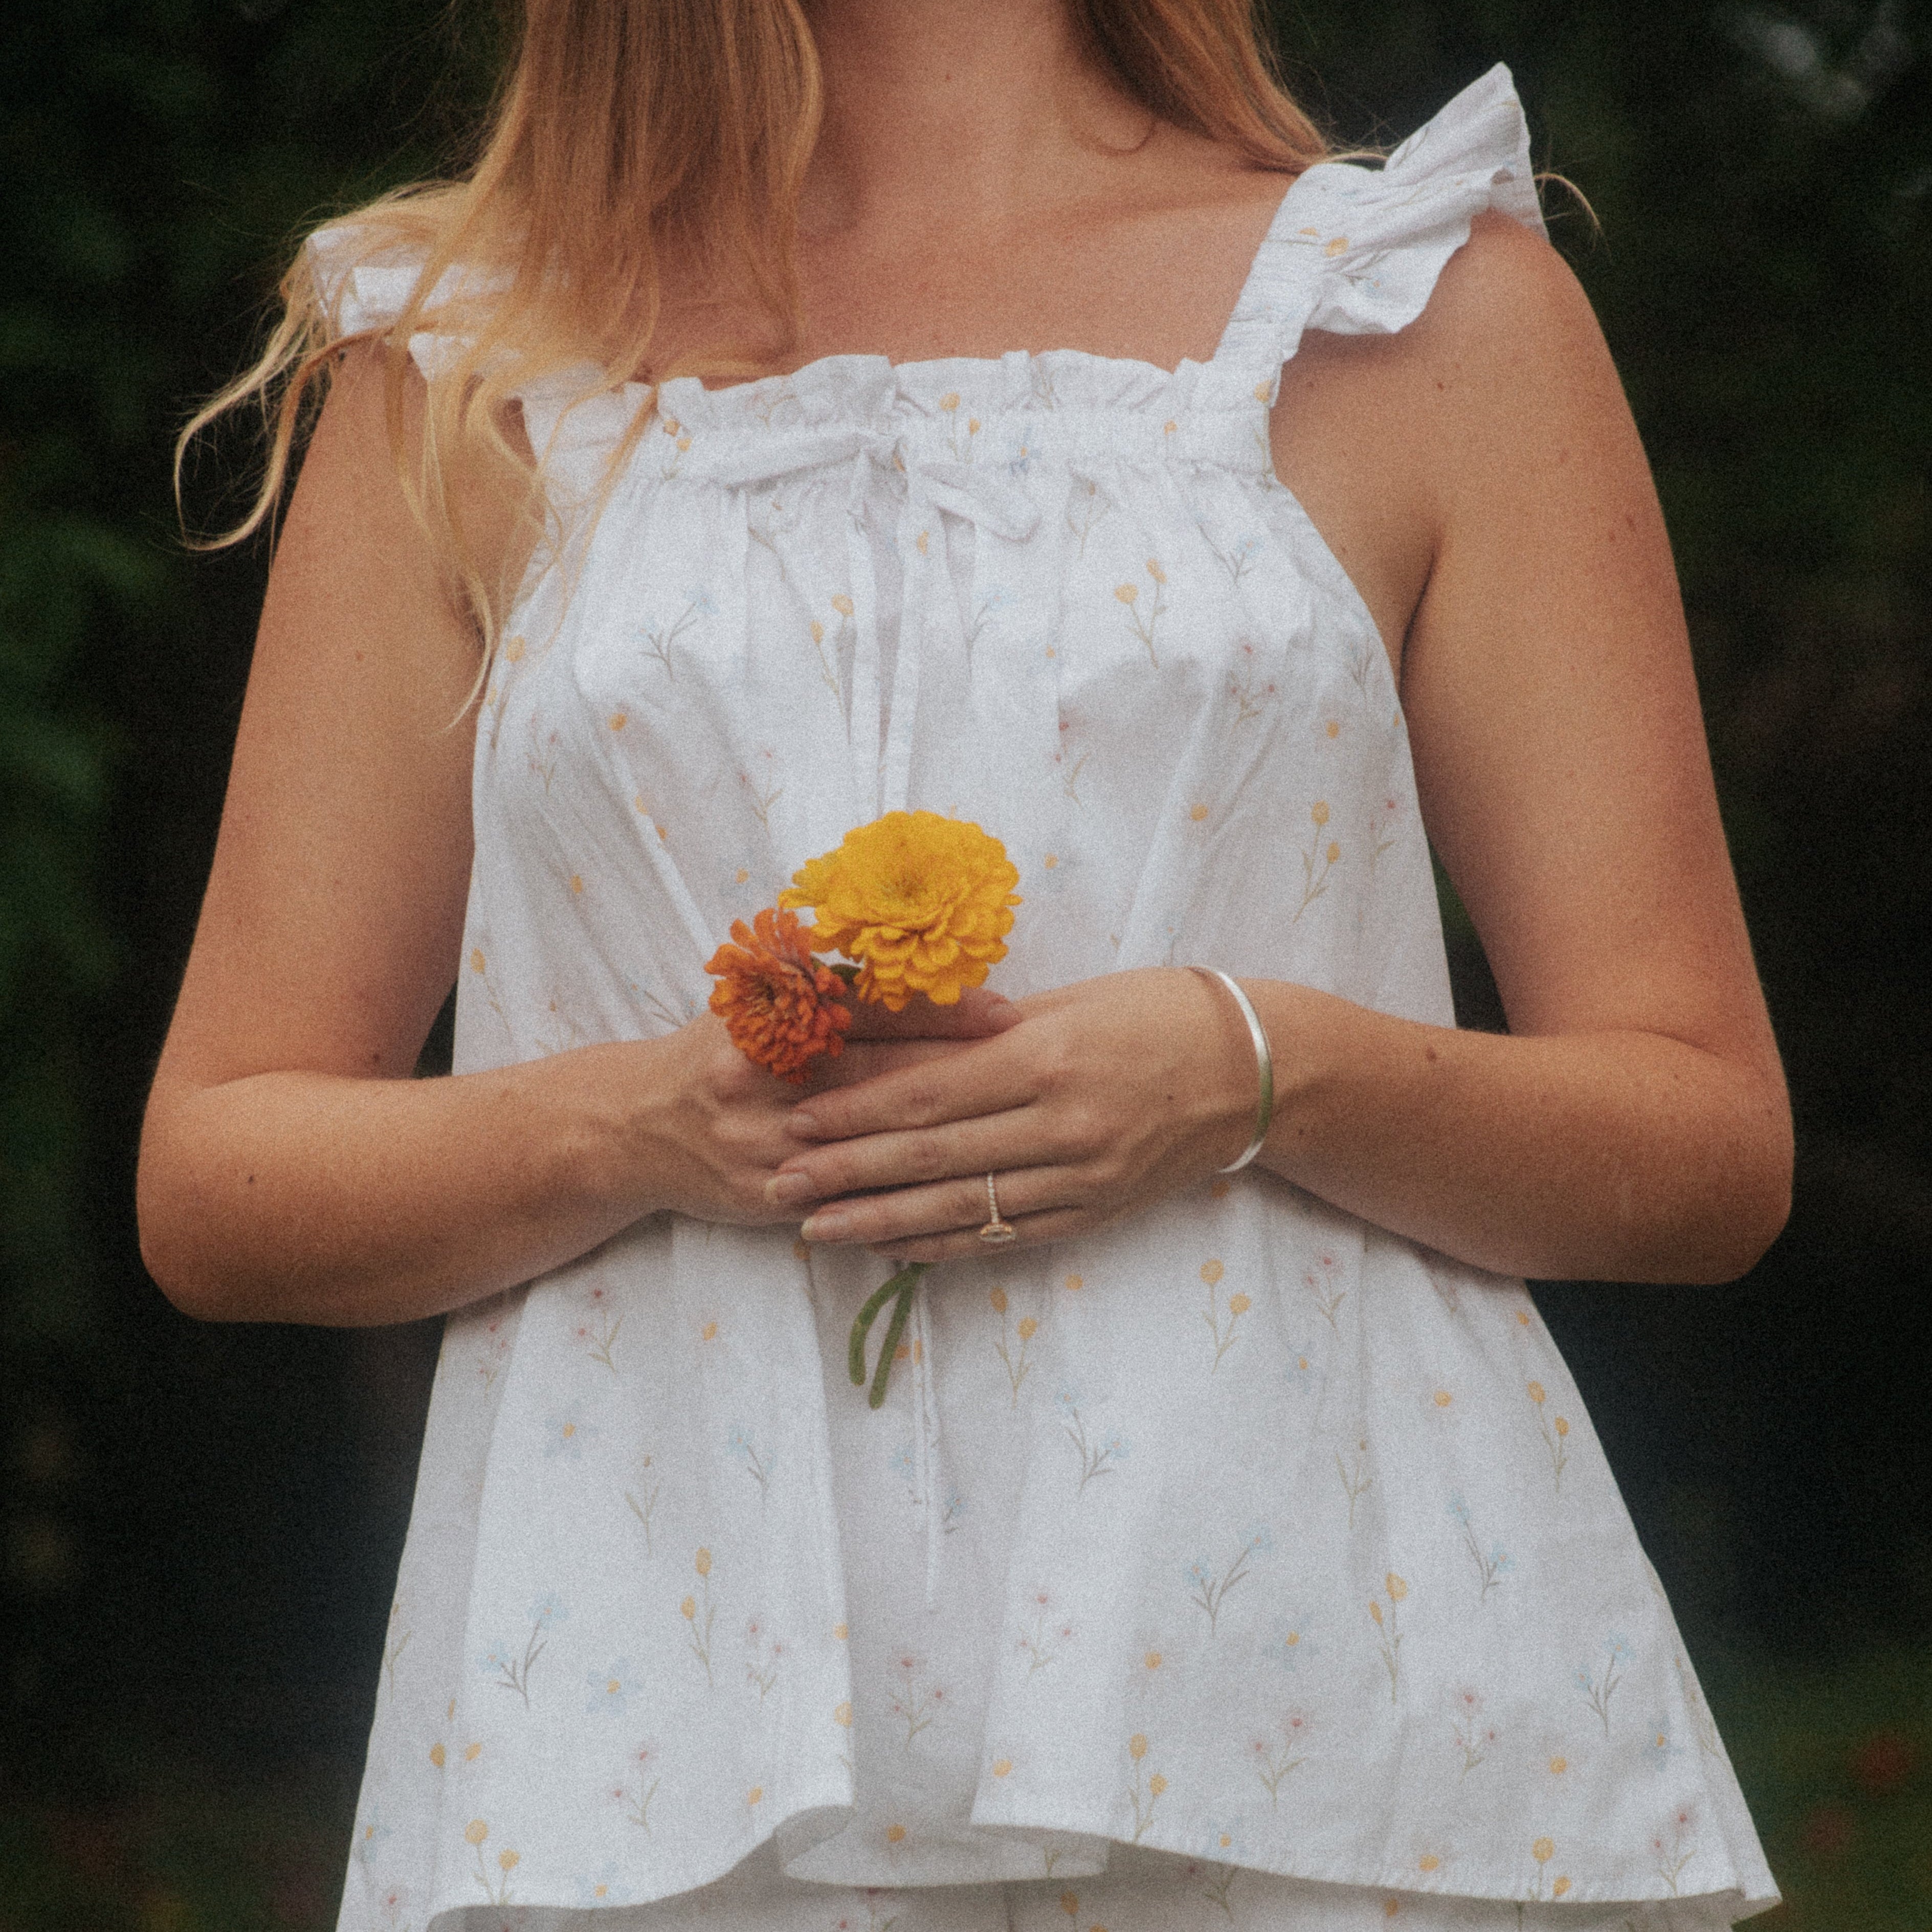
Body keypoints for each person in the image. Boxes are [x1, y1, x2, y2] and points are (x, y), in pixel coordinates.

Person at [139, 3, 1792, 1928]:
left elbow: (1702, 1136)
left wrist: (1253, 1070)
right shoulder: (469, 365)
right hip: (671, 1757)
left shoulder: (1417, 311)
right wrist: (643, 1126)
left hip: (1332, 1740)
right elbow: (220, 1172)